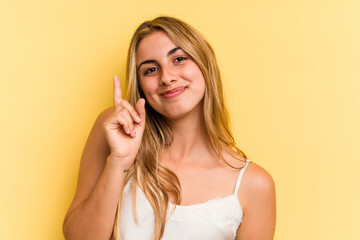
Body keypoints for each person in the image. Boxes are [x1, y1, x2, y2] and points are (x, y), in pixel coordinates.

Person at [63, 16, 276, 240]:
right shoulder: (115, 131)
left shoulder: (254, 185)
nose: (167, 77)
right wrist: (118, 162)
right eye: (151, 70)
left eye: (179, 59)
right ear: (141, 85)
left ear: (205, 65)